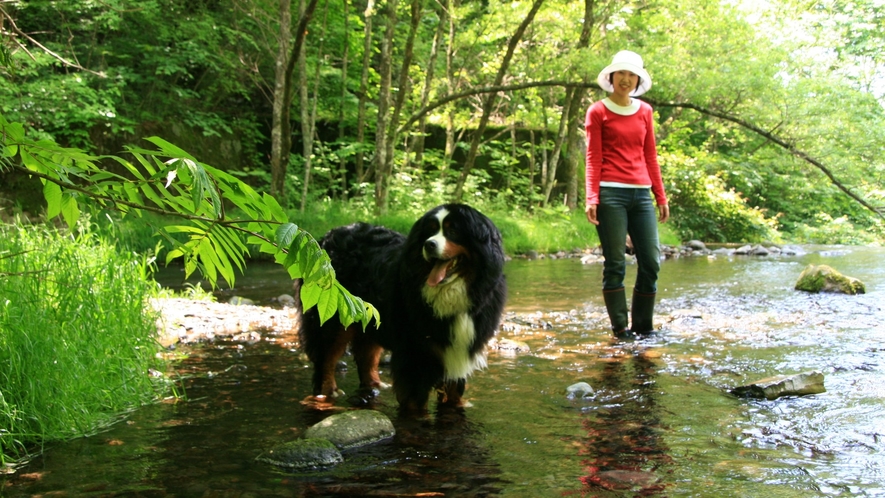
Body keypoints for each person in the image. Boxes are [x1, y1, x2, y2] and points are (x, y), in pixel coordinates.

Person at [584, 50, 670, 337]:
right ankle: (621, 330)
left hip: (641, 195)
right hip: (611, 195)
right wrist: (592, 197)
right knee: (616, 263)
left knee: (651, 262)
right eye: (621, 73)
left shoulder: (645, 111)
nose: (626, 79)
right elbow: (593, 157)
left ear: (638, 80)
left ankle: (644, 329)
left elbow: (651, 156)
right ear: (612, 77)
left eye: (632, 74)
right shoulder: (598, 111)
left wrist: (661, 196)